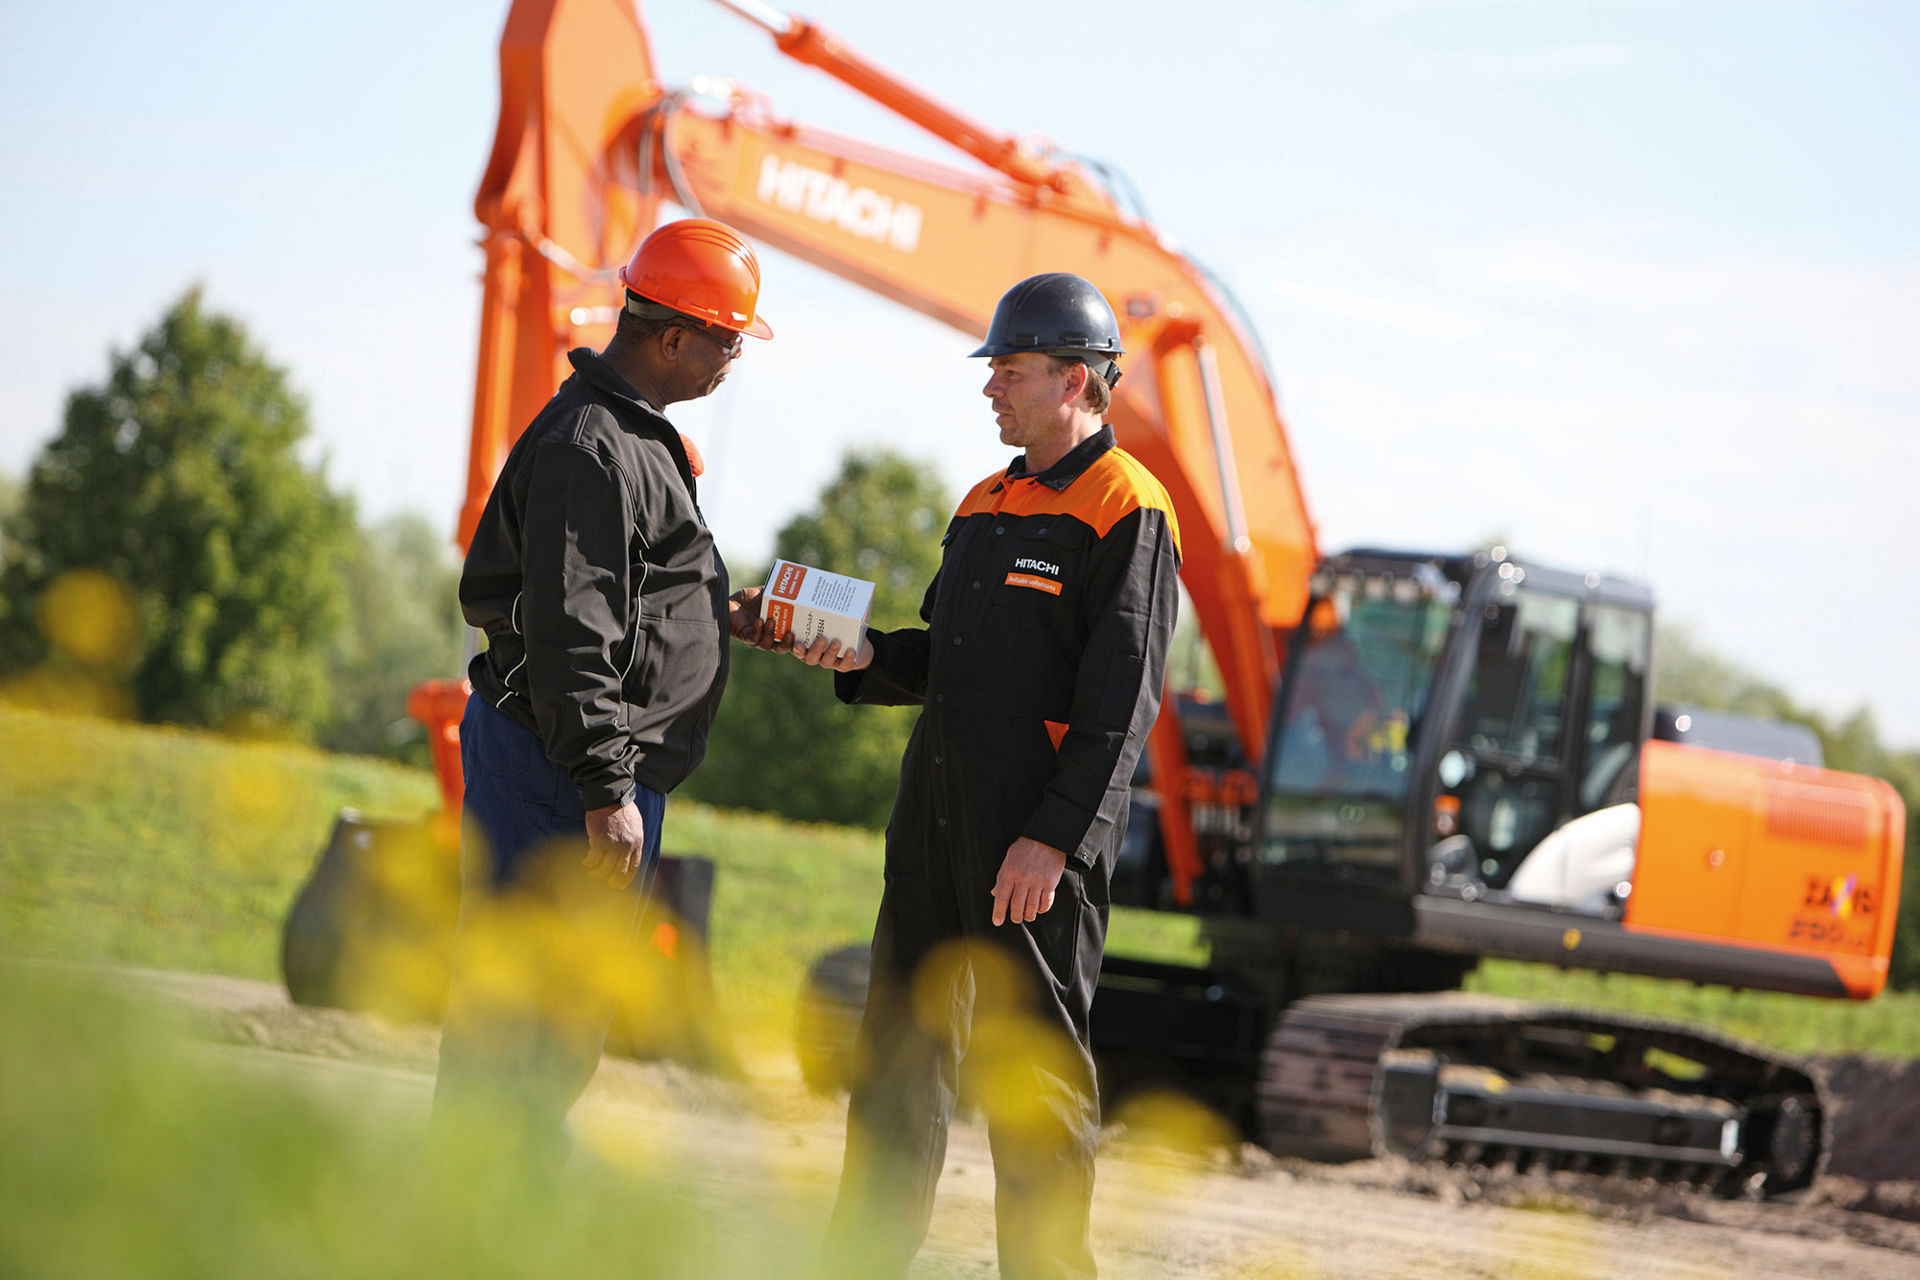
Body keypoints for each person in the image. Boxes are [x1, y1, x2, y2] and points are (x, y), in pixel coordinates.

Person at [780, 273, 1181, 1278]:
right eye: (994, 366)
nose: (991, 385)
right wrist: (854, 649)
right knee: (896, 1068)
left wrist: (1053, 836)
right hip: (933, 828)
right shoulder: (986, 500)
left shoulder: (1128, 507)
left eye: (1011, 366)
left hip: (1028, 845)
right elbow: (941, 661)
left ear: (1077, 380)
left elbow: (1122, 702)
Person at [433, 217, 772, 1170]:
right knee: (524, 1019)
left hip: (582, 770)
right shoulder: (595, 445)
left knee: (559, 1021)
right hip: (562, 774)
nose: (733, 359)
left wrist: (717, 610)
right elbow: (572, 628)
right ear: (673, 337)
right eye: (728, 338)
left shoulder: (629, 439)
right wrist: (605, 790)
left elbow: (624, 596)